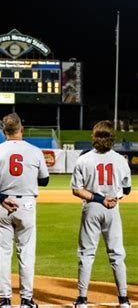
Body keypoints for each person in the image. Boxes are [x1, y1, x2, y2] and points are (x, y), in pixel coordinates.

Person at [0, 113, 49, 308]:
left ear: (4, 131)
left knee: (2, 254)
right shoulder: (35, 151)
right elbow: (44, 180)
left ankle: (4, 301)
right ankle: (27, 300)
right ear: (22, 129)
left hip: (3, 205)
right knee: (26, 253)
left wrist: (1, 198)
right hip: (27, 205)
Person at [71, 120, 131, 308]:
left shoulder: (84, 159)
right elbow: (127, 189)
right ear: (112, 138)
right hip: (113, 209)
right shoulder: (121, 159)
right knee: (117, 254)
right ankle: (123, 300)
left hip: (92, 207)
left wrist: (98, 199)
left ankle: (82, 299)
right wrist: (111, 198)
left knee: (86, 254)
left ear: (94, 137)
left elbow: (76, 190)